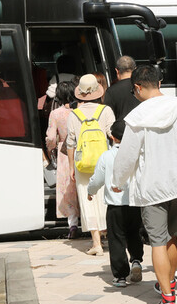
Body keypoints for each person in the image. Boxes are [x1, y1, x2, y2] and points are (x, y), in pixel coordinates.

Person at [114, 64, 177, 304]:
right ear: (159, 83)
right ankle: (169, 282)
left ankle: (167, 298)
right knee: (172, 235)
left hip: (152, 186)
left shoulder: (138, 117)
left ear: (138, 87)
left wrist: (118, 180)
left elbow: (127, 156)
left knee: (157, 241)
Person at [87, 119, 144, 288]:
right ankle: (136, 260)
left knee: (116, 238)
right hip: (135, 203)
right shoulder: (137, 154)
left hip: (115, 205)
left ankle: (120, 276)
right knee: (134, 233)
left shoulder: (106, 156)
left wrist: (91, 192)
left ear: (111, 136)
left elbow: (97, 179)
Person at [64, 74, 115, 255]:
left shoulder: (74, 115)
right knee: (105, 198)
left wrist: (71, 167)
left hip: (83, 164)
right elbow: (113, 135)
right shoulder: (106, 111)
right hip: (104, 161)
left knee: (88, 200)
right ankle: (108, 234)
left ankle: (96, 244)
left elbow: (70, 143)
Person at [45, 81, 82, 232]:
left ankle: (72, 224)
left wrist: (51, 149)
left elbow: (51, 138)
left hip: (64, 153)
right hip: (82, 149)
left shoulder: (55, 114)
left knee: (68, 188)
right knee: (82, 186)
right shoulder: (81, 111)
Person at [103, 55, 140, 121]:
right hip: (142, 127)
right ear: (135, 69)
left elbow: (108, 115)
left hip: (121, 129)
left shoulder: (110, 91)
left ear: (117, 71)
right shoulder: (142, 86)